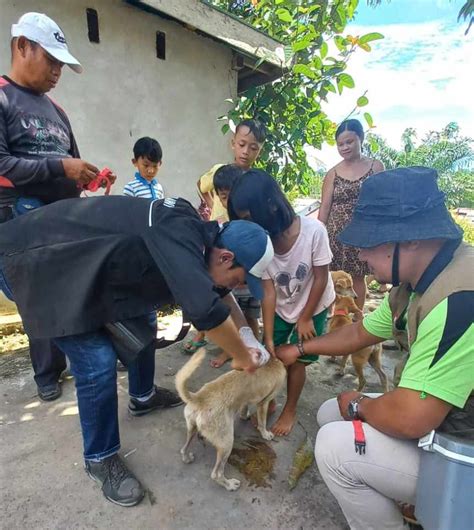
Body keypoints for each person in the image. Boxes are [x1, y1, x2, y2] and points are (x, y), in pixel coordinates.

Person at [0, 194, 274, 507]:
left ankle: (143, 397)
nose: (234, 286)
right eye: (239, 279)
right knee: (96, 362)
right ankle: (99, 458)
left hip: (83, 267)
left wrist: (246, 337)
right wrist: (241, 356)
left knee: (143, 318)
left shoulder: (202, 239)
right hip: (36, 263)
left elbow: (221, 294)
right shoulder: (180, 236)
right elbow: (203, 308)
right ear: (225, 257)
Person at [276, 167, 473, 530]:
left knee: (335, 446)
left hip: (463, 453)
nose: (361, 254)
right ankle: (410, 500)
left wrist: (359, 403)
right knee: (327, 414)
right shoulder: (417, 283)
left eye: (371, 242)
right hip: (450, 426)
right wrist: (299, 348)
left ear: (411, 240)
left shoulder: (460, 300)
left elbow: (410, 417)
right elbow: (358, 333)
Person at [0, 12, 105, 401]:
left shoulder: (58, 112)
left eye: (61, 63)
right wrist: (61, 167)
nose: (57, 70)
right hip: (19, 220)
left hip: (61, 219)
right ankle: (47, 373)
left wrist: (90, 177)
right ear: (22, 46)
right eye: (52, 60)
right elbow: (2, 167)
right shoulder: (2, 97)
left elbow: (72, 165)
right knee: (40, 298)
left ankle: (81, 364)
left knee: (73, 292)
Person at [228, 169, 335, 435]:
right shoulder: (261, 245)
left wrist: (306, 317)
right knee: (271, 354)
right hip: (281, 305)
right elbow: (268, 290)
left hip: (315, 302)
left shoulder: (314, 231)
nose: (250, 227)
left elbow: (321, 278)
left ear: (272, 206)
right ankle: (270, 398)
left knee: (298, 361)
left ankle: (290, 407)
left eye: (250, 219)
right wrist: (267, 334)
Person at [183, 119, 266, 358]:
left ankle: (252, 345)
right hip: (221, 247)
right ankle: (204, 335)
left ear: (259, 150)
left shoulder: (256, 180)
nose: (246, 151)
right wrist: (212, 204)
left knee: (249, 306)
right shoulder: (221, 171)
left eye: (253, 147)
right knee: (216, 294)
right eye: (242, 144)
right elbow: (201, 183)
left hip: (244, 252)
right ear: (233, 143)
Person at [318, 119, 385, 310]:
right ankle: (333, 318)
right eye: (340, 144)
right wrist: (319, 235)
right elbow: (324, 207)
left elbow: (383, 203)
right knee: (332, 279)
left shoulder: (376, 167)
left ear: (361, 139)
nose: (345, 147)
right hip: (335, 236)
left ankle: (356, 319)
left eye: (349, 142)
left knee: (357, 278)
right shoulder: (332, 173)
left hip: (363, 235)